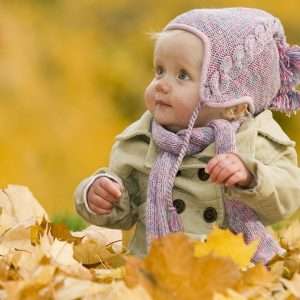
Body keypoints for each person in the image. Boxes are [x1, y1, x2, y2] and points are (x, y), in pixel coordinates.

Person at [74, 7, 300, 264]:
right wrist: (98, 195)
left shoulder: (255, 139)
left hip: (233, 270)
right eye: (159, 70)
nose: (161, 84)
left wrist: (251, 177)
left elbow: (289, 194)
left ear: (232, 102)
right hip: (156, 268)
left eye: (182, 75)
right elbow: (123, 213)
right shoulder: (141, 140)